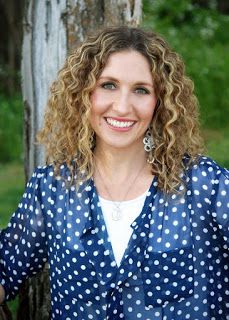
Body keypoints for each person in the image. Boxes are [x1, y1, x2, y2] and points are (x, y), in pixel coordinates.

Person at [0, 25, 228, 320]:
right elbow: (6, 268)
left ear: (159, 103)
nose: (122, 106)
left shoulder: (204, 186)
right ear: (85, 93)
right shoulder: (52, 189)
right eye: (108, 85)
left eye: (141, 90)